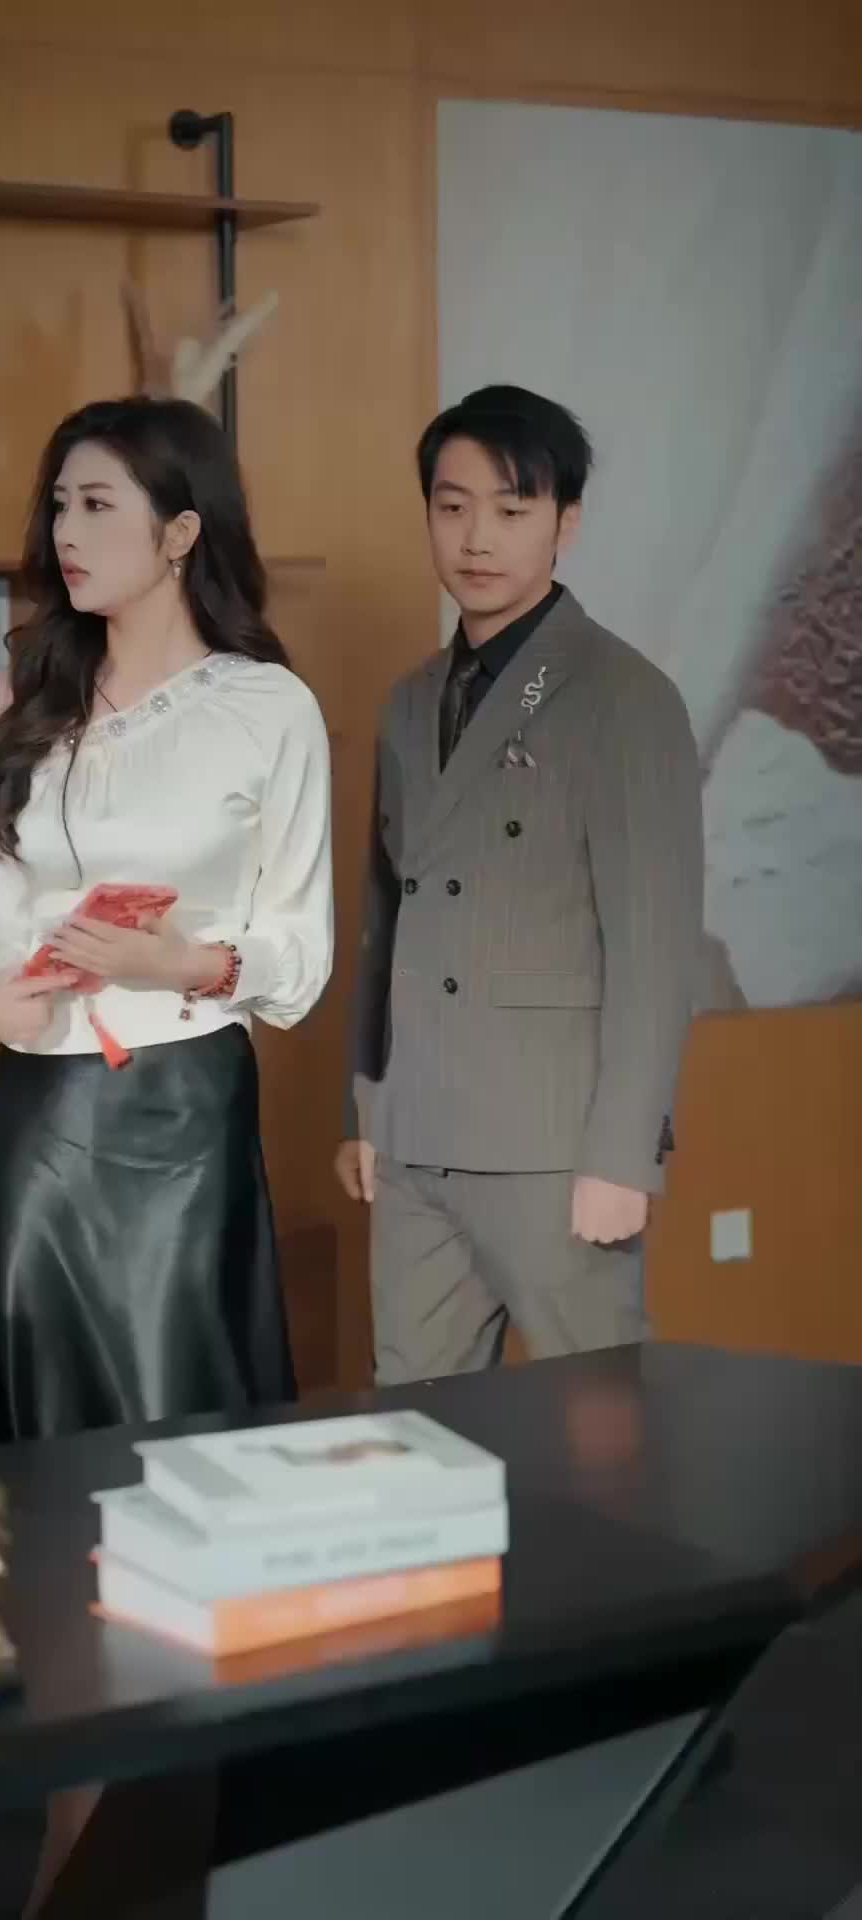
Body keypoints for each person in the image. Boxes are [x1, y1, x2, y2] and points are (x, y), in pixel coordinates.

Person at [0, 395, 332, 1447]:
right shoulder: (26, 695)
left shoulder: (268, 709)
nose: (65, 532)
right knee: (38, 1418)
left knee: (177, 1399)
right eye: (59, 505)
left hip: (181, 1108)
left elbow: (301, 950)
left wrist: (185, 964)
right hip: (37, 1109)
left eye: (97, 504)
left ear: (179, 532)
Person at [336, 384, 703, 1372]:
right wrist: (366, 1110)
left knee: (602, 1416)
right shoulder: (410, 700)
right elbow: (382, 921)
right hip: (414, 1141)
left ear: (564, 524)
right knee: (414, 1418)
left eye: (511, 509)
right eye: (452, 506)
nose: (477, 538)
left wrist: (623, 1157)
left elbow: (655, 950)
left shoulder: (622, 695)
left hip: (554, 1147)